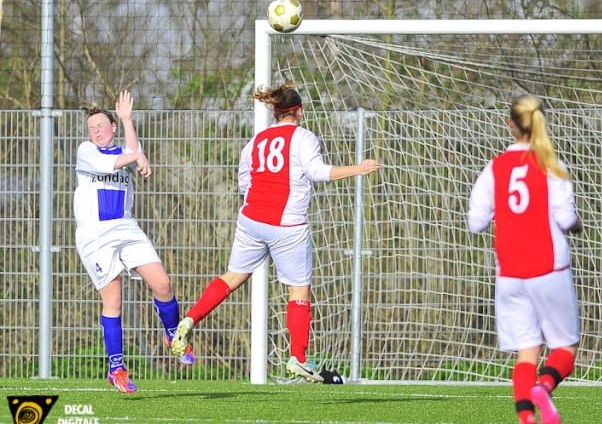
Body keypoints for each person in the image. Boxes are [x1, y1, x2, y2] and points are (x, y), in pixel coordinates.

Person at [171, 83, 381, 382]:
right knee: (298, 291)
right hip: (288, 226)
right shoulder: (303, 137)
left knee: (232, 277)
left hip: (251, 219)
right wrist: (358, 168)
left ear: (274, 111)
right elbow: (317, 172)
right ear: (299, 111)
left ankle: (190, 319)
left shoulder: (256, 140)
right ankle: (298, 357)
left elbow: (245, 179)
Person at [467, 94, 582, 424]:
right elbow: (565, 218)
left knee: (526, 352)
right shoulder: (550, 164)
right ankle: (544, 388)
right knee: (565, 347)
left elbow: (475, 223)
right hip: (549, 268)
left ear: (510, 125)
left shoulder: (496, 166)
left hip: (510, 272)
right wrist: (576, 224)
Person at [74, 89, 194, 394]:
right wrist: (138, 155)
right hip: (95, 235)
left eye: (101, 126)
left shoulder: (123, 149)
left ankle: (173, 336)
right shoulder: (86, 151)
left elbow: (131, 150)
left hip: (126, 229)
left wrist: (127, 119)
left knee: (163, 284)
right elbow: (119, 161)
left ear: (112, 127)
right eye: (92, 128)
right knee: (113, 300)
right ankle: (117, 369)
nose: (96, 131)